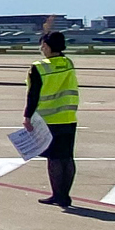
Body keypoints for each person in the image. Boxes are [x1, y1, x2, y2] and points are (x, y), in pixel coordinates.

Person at [27, 30, 80, 207]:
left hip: (49, 119)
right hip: (69, 117)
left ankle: (58, 195)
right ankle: (65, 194)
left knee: (54, 159)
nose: (41, 48)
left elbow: (33, 95)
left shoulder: (39, 67)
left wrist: (27, 116)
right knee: (67, 157)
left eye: (43, 45)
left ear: (48, 47)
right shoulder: (68, 63)